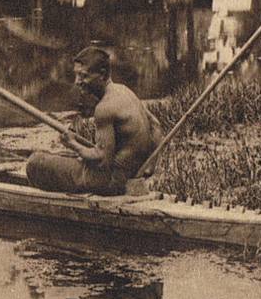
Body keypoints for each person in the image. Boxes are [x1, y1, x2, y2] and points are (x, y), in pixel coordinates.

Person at [26, 46, 162, 195]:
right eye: (76, 75)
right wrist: (149, 166)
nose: (77, 81)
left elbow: (101, 159)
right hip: (130, 176)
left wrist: (72, 143)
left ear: (102, 75)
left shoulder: (104, 108)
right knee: (59, 157)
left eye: (83, 76)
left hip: (109, 183)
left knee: (35, 161)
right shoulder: (124, 90)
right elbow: (156, 125)